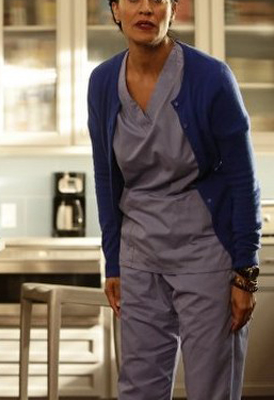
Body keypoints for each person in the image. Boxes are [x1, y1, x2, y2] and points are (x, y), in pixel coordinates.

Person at [87, 1, 261, 399]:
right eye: (133, 0)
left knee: (211, 388)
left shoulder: (211, 77)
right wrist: (113, 260)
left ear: (173, 10)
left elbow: (242, 178)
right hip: (139, 254)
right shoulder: (102, 82)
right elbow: (106, 175)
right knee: (139, 388)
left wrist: (245, 272)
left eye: (158, 0)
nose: (146, 9)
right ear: (115, 10)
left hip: (206, 253)